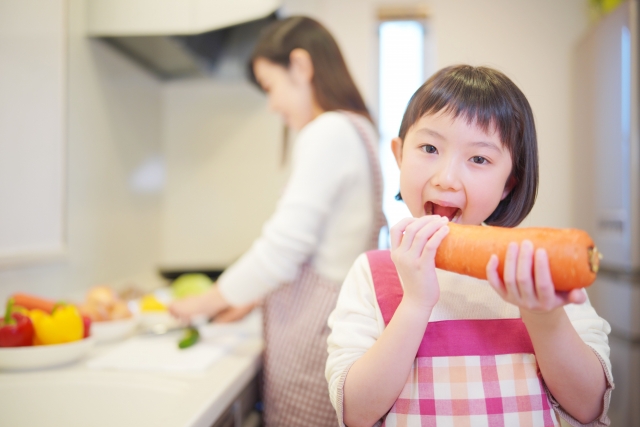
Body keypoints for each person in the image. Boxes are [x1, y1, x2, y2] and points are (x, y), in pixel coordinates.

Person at [326, 65, 613, 427]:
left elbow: (589, 405)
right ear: (399, 156)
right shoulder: (371, 274)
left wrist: (544, 317)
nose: (446, 179)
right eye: (429, 148)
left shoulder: (541, 275)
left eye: (479, 159)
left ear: (509, 183)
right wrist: (415, 304)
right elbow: (354, 412)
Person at [169, 16, 386, 426]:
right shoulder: (358, 127)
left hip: (313, 334)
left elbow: (282, 248)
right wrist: (245, 297)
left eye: (270, 87)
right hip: (336, 323)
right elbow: (322, 247)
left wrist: (207, 300)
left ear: (301, 67)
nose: (271, 106)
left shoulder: (327, 131)